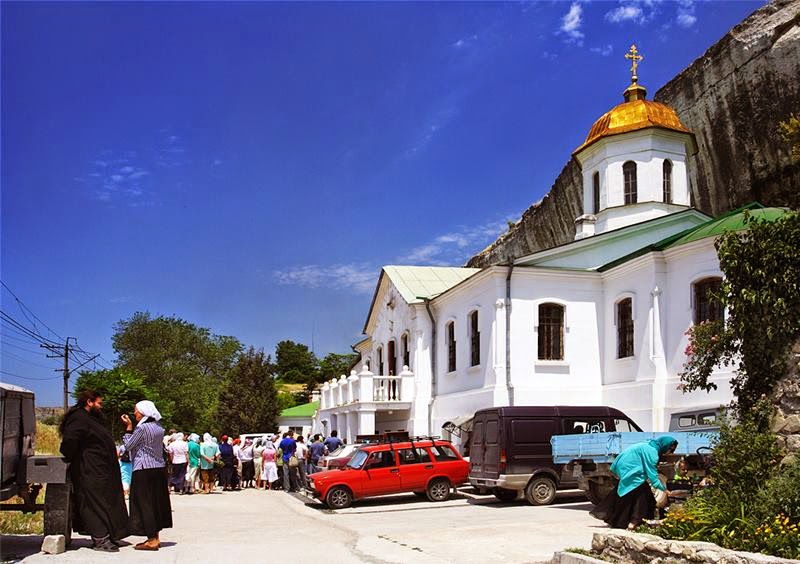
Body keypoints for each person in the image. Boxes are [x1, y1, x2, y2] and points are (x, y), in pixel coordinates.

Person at [59, 389, 129, 552]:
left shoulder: (89, 419)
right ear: (89, 402)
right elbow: (70, 442)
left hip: (99, 469)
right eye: (98, 403)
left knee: (105, 500)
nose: (100, 406)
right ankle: (100, 539)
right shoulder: (78, 419)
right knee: (92, 503)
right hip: (89, 469)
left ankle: (109, 534)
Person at [590, 436, 678, 530]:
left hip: (625, 468)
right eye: (670, 449)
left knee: (633, 495)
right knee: (642, 498)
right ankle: (634, 522)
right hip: (631, 471)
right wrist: (664, 489)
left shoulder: (649, 444)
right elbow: (653, 476)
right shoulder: (652, 452)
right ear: (665, 445)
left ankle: (630, 521)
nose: (669, 452)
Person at [121, 400, 173, 551]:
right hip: (158, 468)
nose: (135, 413)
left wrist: (128, 428)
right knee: (155, 502)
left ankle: (151, 540)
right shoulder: (159, 427)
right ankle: (155, 536)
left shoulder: (142, 428)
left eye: (136, 411)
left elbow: (129, 446)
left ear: (143, 411)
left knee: (144, 503)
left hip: (143, 469)